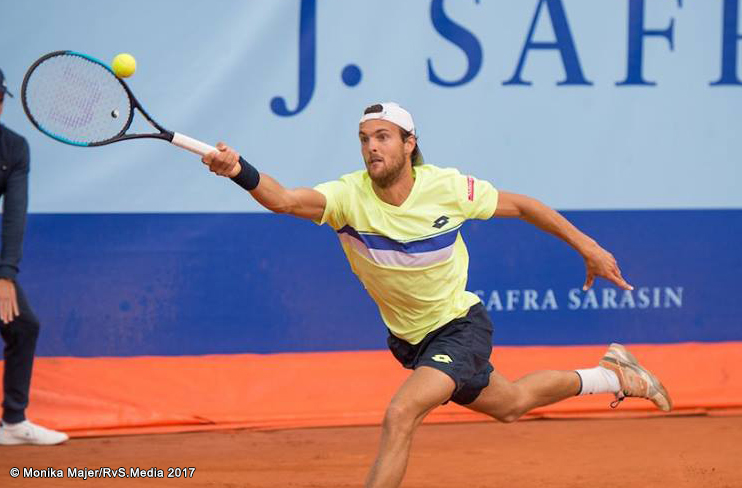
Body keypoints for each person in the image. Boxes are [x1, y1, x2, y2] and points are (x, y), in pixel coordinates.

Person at [202, 102, 671, 488]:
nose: (371, 147)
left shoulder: (447, 188)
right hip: (412, 340)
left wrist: (588, 247)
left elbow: (526, 206)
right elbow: (284, 199)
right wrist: (238, 170)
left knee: (401, 412)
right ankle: (613, 375)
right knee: (510, 404)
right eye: (364, 139)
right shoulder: (347, 197)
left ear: (409, 143)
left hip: (459, 328)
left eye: (383, 137)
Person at [0, 68, 68, 446]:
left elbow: (14, 213)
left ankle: (13, 422)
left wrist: (5, 274)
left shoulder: (13, 148)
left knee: (22, 325)